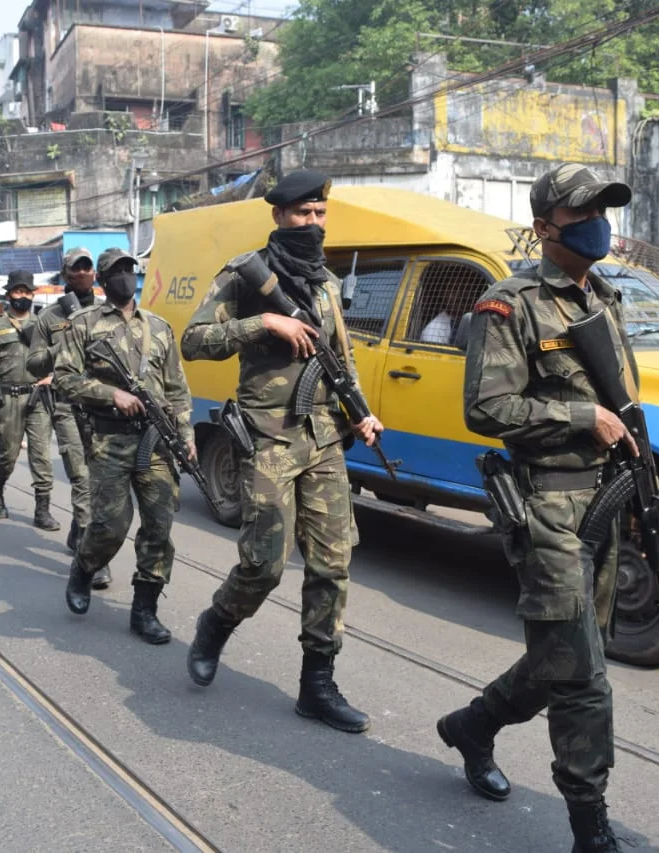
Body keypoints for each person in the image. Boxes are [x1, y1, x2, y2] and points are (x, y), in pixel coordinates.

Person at [444, 163, 659, 853]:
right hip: (547, 507)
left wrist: (649, 500)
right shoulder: (510, 304)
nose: (598, 224)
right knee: (582, 678)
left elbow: (626, 410)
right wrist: (580, 417)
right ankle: (589, 826)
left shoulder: (604, 296)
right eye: (583, 214)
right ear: (545, 227)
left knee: (564, 658)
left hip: (605, 499)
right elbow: (485, 408)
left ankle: (474, 725)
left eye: (604, 211)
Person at [180, 169, 382, 734]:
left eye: (320, 213)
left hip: (324, 439)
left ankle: (317, 685)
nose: (313, 223)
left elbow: (340, 361)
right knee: (264, 564)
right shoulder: (245, 275)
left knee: (332, 564)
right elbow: (193, 342)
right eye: (302, 214)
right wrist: (262, 323)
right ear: (279, 216)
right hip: (268, 438)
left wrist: (361, 412)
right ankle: (216, 624)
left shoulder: (326, 284)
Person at [53, 248, 193, 645]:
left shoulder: (160, 328)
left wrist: (186, 435)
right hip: (109, 438)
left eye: (130, 269)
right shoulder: (83, 324)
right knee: (110, 526)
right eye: (117, 271)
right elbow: (64, 378)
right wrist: (110, 394)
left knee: (159, 527)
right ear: (102, 279)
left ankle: (144, 610)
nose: (126, 276)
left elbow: (178, 389)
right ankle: (84, 567)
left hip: (157, 441)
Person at [27, 249, 100, 582]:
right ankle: (91, 553)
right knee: (81, 476)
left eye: (87, 267)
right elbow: (33, 363)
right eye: (76, 268)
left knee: (102, 479)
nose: (82, 273)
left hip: (103, 405)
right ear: (66, 274)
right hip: (68, 405)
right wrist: (65, 346)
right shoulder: (49, 318)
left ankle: (78, 529)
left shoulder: (107, 311)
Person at [0, 271, 50, 519]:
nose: (23, 296)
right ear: (9, 295)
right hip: (8, 398)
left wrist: (52, 376)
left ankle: (42, 508)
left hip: (38, 397)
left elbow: (59, 356)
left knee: (41, 454)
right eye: (18, 292)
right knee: (7, 453)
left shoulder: (42, 325)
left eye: (27, 292)